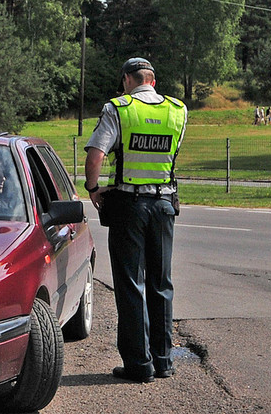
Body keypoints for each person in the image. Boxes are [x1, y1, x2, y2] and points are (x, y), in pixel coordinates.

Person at [84, 57, 188, 383]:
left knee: (131, 285)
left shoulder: (119, 108)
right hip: (165, 205)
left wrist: (92, 188)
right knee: (161, 284)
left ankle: (139, 365)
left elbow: (96, 154)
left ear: (129, 79)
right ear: (153, 81)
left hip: (130, 205)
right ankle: (164, 360)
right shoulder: (176, 111)